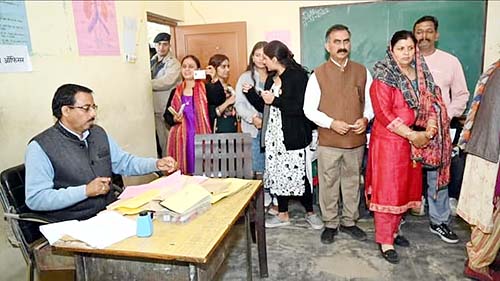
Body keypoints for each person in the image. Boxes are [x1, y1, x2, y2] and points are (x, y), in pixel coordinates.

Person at [25, 84, 178, 222]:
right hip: (73, 222)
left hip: (108, 212)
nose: (92, 114)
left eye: (94, 107)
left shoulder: (97, 133)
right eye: (86, 108)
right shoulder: (40, 147)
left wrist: (156, 164)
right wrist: (85, 191)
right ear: (65, 110)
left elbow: (124, 162)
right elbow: (36, 198)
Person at [366, 30, 451, 264]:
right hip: (389, 142)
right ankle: (385, 240)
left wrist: (429, 130)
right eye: (401, 48)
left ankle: (394, 231)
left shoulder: (421, 75)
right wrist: (413, 134)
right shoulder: (383, 76)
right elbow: (383, 113)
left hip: (413, 144)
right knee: (388, 190)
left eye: (410, 48)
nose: (406, 52)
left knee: (404, 188)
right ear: (391, 49)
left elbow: (432, 104)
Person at [304, 24, 373, 244]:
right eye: (337, 42)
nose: (342, 46)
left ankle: (349, 222)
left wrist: (366, 119)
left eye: (345, 41)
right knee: (329, 183)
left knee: (353, 182)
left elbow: (370, 104)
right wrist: (332, 123)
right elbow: (309, 109)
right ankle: (330, 223)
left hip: (356, 140)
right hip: (329, 140)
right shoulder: (318, 74)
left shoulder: (362, 71)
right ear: (328, 46)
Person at [245, 40, 324, 230]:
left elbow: (301, 109)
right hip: (274, 138)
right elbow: (267, 107)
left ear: (274, 59)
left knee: (299, 175)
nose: (263, 62)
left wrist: (276, 101)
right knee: (279, 174)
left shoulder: (298, 77)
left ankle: (310, 212)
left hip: (293, 136)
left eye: (265, 58)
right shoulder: (272, 78)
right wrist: (251, 95)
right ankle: (282, 214)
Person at [412, 15, 468, 243]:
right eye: (419, 31)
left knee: (438, 178)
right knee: (408, 174)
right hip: (411, 130)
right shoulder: (406, 60)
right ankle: (399, 218)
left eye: (428, 31)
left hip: (440, 132)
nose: (423, 36)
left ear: (437, 34)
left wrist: (446, 116)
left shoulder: (450, 61)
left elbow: (462, 95)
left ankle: (439, 221)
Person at [456, 59, 500, 281]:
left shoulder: (495, 68)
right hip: (493, 154)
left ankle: (482, 256)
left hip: (484, 149)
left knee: (485, 208)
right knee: (490, 211)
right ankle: (479, 262)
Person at [164, 55, 212, 175]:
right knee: (184, 175)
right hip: (182, 139)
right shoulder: (175, 91)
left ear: (198, 70)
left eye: (191, 67)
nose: (187, 69)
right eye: (184, 66)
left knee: (203, 174)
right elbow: (166, 115)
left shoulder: (206, 89)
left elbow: (220, 96)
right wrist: (174, 118)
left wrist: (214, 77)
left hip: (201, 138)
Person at [235, 42, 267, 176]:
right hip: (253, 129)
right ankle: (262, 196)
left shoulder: (276, 77)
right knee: (257, 167)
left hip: (272, 130)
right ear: (252, 57)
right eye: (257, 55)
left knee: (273, 166)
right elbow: (239, 104)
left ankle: (273, 195)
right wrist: (253, 118)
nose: (260, 58)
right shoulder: (245, 77)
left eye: (264, 55)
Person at [151, 32, 181, 157]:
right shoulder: (153, 60)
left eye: (165, 44)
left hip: (167, 109)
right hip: (155, 107)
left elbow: (167, 82)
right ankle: (166, 166)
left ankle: (172, 166)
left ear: (169, 46)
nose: (161, 47)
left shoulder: (173, 63)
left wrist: (145, 84)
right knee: (161, 140)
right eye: (159, 44)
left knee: (169, 140)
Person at [205, 54, 238, 133]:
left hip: (232, 128)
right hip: (218, 130)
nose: (227, 69)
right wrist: (228, 102)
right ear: (214, 68)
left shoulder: (230, 88)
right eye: (223, 67)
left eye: (228, 66)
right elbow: (212, 113)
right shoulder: (209, 88)